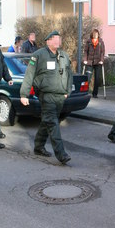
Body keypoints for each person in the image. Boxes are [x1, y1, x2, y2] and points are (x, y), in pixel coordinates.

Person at [20, 30, 72, 164]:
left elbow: (69, 75)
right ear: (47, 41)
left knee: (47, 122)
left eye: (58, 38)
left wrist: (67, 91)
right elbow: (29, 75)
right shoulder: (39, 55)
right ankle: (62, 154)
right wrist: (24, 94)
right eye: (54, 38)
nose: (57, 41)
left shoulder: (64, 56)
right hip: (46, 96)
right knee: (53, 124)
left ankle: (38, 146)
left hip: (60, 96)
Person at [83, 29, 105, 98]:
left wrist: (101, 60)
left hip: (98, 62)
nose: (95, 35)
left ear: (98, 35)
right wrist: (85, 60)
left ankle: (95, 94)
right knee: (87, 78)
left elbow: (102, 52)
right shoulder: (88, 41)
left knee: (97, 79)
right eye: (94, 34)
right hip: (90, 62)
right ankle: (84, 92)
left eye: (97, 34)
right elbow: (86, 51)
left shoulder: (101, 42)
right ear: (92, 34)